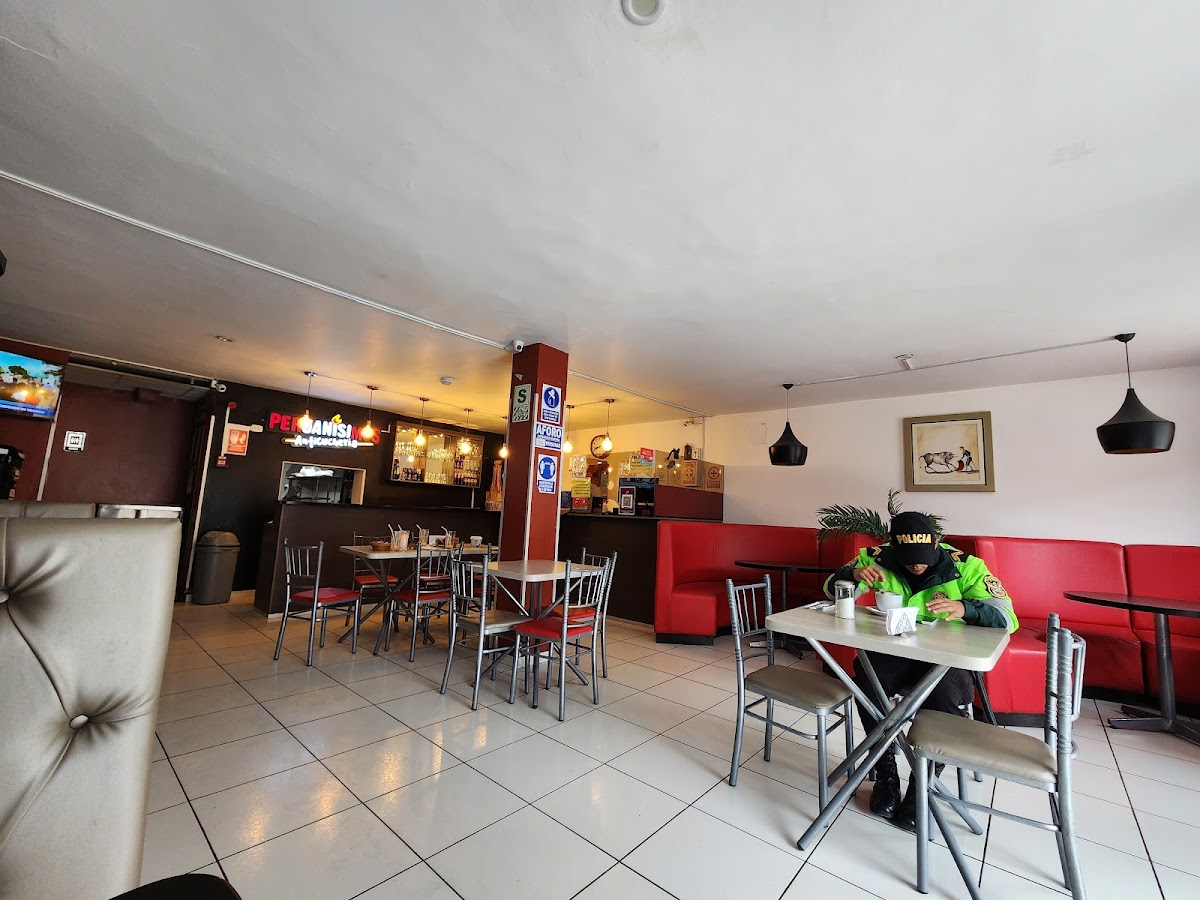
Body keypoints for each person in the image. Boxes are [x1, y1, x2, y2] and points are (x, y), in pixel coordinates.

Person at [824, 512, 1016, 833]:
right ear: (893, 546)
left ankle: (922, 783)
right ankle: (885, 773)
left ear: (936, 543)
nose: (916, 565)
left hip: (947, 657)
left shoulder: (966, 566)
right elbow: (831, 592)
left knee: (944, 696)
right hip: (896, 650)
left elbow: (1007, 617)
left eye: (923, 557)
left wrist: (966, 608)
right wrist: (852, 575)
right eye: (908, 558)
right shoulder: (876, 558)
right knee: (868, 684)